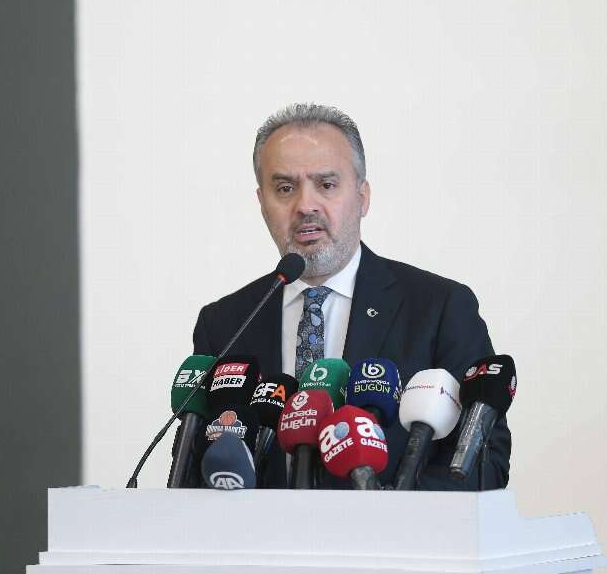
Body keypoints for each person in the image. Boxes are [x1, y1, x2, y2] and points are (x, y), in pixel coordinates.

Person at [193, 103, 511, 489]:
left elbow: (486, 463)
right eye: (285, 188)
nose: (305, 206)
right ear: (262, 204)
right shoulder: (225, 323)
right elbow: (197, 470)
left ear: (362, 197)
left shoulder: (439, 308)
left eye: (326, 185)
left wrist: (386, 515)